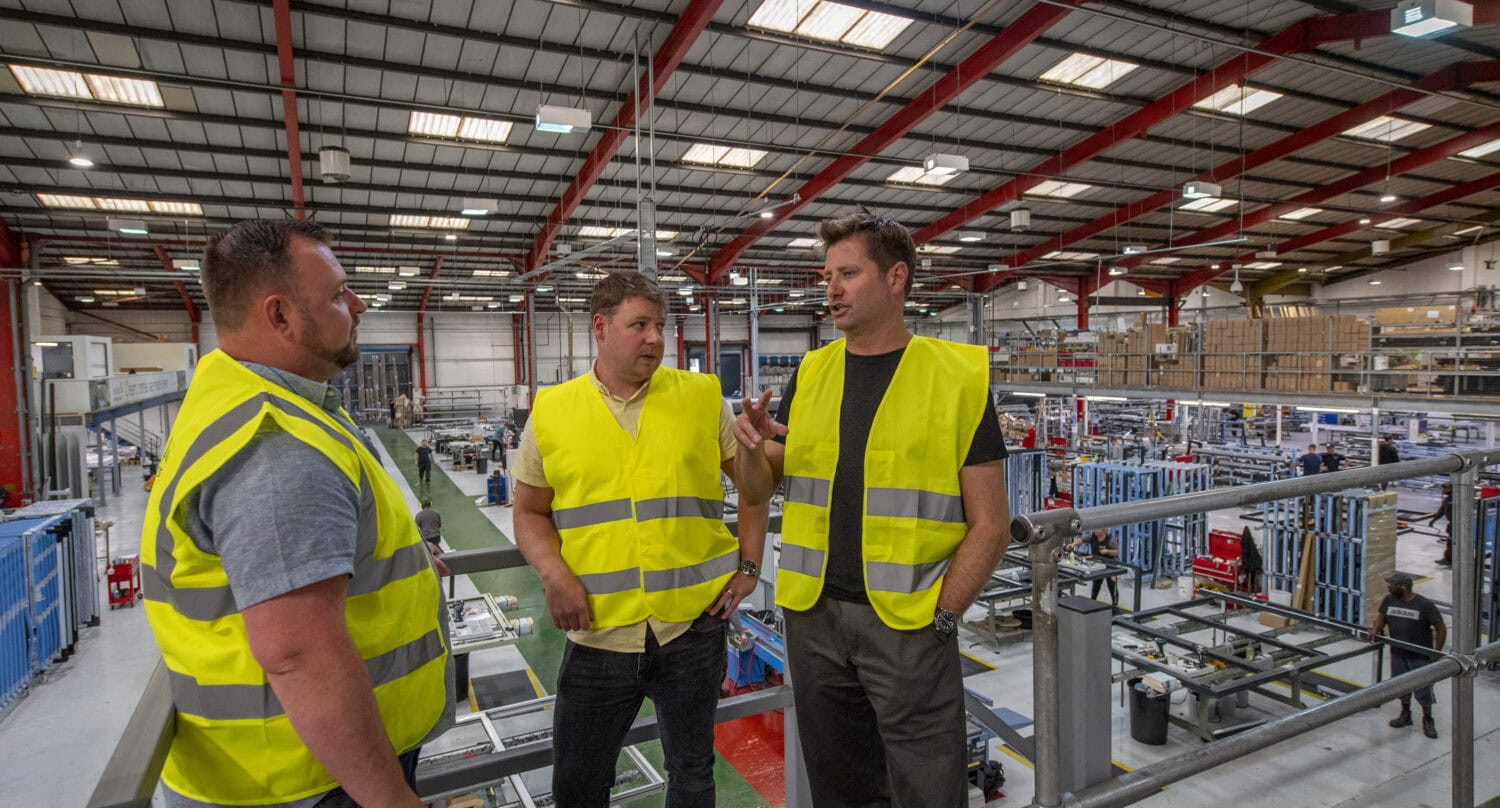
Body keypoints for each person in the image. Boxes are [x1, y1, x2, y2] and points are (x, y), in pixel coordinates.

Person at [139, 219, 452, 808]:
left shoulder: (241, 400)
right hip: (309, 780)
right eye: (337, 294)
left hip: (297, 768)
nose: (357, 304)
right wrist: (389, 800)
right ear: (279, 315)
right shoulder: (276, 444)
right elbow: (298, 652)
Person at [733, 207, 1010, 807]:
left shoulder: (957, 378)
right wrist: (751, 446)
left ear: (896, 278)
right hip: (813, 618)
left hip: (909, 624)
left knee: (928, 788)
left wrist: (946, 613)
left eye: (849, 274)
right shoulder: (811, 371)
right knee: (841, 788)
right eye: (827, 275)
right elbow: (759, 489)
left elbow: (991, 521)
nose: (831, 289)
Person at [513, 271, 769, 808]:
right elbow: (530, 511)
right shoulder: (553, 409)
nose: (655, 337)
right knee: (579, 785)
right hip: (597, 632)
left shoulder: (701, 396)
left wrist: (749, 568)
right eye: (640, 325)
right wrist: (555, 575)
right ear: (601, 327)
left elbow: (753, 489)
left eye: (660, 325)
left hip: (692, 630)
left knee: (694, 775)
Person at [1369, 572, 1446, 739]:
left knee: (1423, 689)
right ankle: (1405, 714)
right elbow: (1381, 617)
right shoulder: (1389, 600)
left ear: (1402, 587)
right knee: (1401, 685)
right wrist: (1376, 628)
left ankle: (1427, 719)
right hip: (1398, 652)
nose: (1389, 587)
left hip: (1419, 656)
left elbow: (1441, 628)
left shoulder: (1424, 605)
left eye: (1392, 585)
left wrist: (1436, 653)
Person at [1069, 527, 1120, 607]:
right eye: (1095, 529)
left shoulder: (1110, 540)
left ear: (1104, 530)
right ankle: (1092, 601)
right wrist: (1073, 544)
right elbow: (1081, 540)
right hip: (1098, 564)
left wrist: (1107, 551)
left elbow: (1116, 552)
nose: (1095, 530)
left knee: (1111, 585)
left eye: (1098, 529)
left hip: (1111, 565)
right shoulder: (1092, 536)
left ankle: (1115, 604)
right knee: (1096, 583)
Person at [414, 498, 450, 576]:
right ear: (430, 504)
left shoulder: (419, 515)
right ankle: (446, 561)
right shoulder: (435, 513)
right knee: (436, 548)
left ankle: (434, 568)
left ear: (421, 506)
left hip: (426, 538)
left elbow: (415, 528)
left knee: (429, 552)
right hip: (436, 536)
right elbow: (439, 525)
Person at [1426, 483, 1453, 567]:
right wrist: (1433, 520)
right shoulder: (1447, 499)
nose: (1443, 490)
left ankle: (1449, 560)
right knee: (1450, 542)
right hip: (1452, 524)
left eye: (1446, 488)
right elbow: (1441, 511)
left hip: (1458, 524)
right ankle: (1448, 559)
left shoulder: (1457, 499)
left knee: (1452, 543)